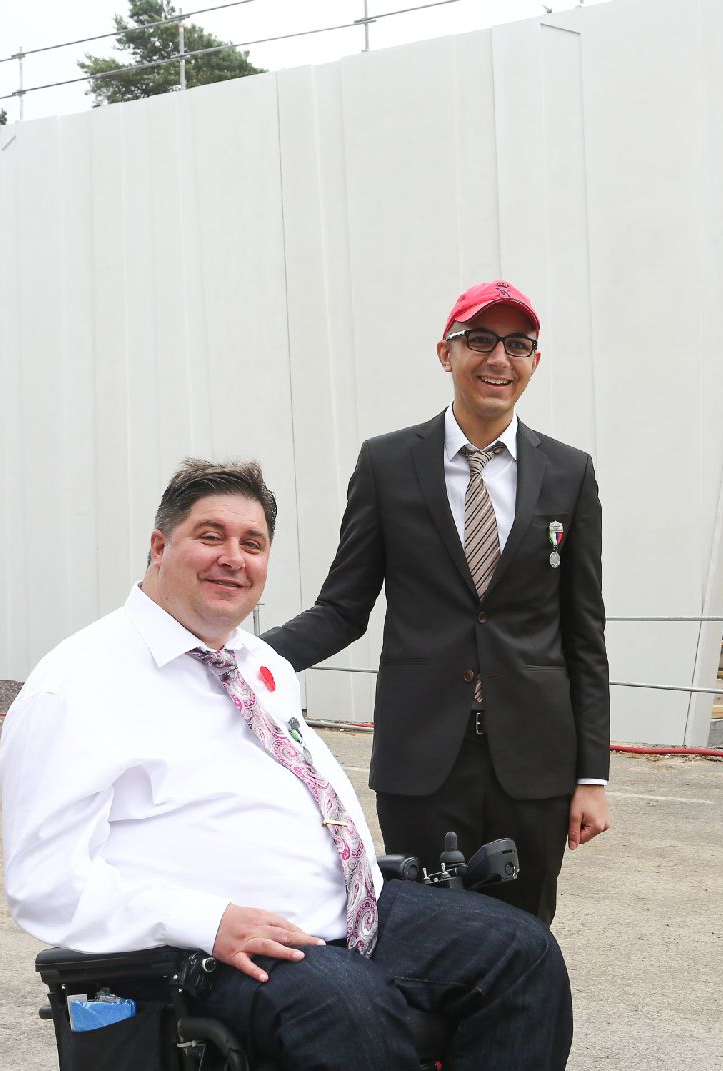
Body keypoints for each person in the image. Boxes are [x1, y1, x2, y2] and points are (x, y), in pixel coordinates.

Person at [0, 459, 572, 1071]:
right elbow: (45, 885)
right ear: (160, 547)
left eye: (253, 544)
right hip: (217, 943)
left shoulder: (258, 663)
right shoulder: (78, 685)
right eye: (210, 536)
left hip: (349, 906)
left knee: (522, 951)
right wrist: (208, 920)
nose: (233, 557)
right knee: (349, 1005)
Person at [262, 280, 611, 926]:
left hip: (532, 765)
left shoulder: (568, 474)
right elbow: (342, 608)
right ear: (444, 353)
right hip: (421, 761)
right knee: (422, 937)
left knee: (523, 940)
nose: (497, 359)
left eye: (517, 344)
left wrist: (591, 775)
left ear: (534, 361)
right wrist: (244, 656)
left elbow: (582, 635)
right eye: (478, 340)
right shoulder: (388, 465)